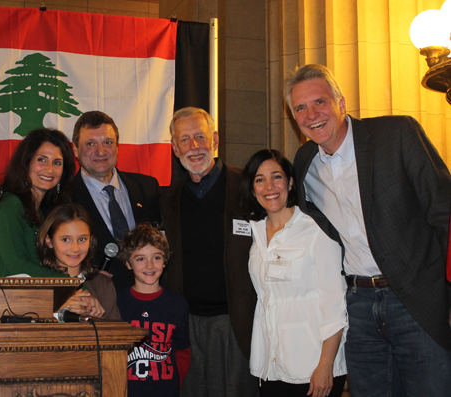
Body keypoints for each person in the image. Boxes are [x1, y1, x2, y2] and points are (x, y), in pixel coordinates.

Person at [288, 64, 451, 396]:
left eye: (320, 102)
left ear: (341, 102)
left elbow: (444, 211)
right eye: (300, 108)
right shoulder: (305, 162)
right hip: (357, 307)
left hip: (416, 300)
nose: (311, 114)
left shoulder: (396, 135)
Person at [161, 107, 258, 396]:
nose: (194, 147)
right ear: (174, 147)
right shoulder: (167, 198)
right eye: (185, 139)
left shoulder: (248, 187)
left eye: (200, 137)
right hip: (186, 324)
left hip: (238, 323)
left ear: (215, 139)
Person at [240, 149, 347, 397]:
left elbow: (335, 303)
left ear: (290, 182)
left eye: (276, 176)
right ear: (252, 188)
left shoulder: (316, 228)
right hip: (271, 366)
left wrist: (325, 365)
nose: (269, 186)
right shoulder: (255, 235)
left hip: (312, 367)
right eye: (259, 179)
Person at [71, 111, 161, 291]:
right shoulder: (64, 198)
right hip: (97, 303)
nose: (101, 151)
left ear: (118, 146)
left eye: (108, 143)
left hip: (148, 302)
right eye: (90, 144)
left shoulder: (148, 187)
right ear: (75, 150)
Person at [0, 128, 75, 278]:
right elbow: (19, 266)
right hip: (8, 299)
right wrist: (70, 285)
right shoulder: (9, 205)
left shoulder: (40, 213)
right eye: (42, 159)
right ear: (26, 163)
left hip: (33, 298)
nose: (49, 169)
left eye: (57, 163)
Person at [116, 222, 190, 397]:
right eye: (140, 259)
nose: (150, 265)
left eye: (156, 257)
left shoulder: (178, 305)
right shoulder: (117, 301)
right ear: (128, 263)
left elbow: (183, 351)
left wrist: (176, 382)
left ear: (164, 261)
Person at [38, 203, 121, 320]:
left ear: (90, 240)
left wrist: (94, 317)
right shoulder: (36, 282)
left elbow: (117, 333)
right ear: (49, 241)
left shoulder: (102, 284)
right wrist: (60, 313)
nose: (75, 248)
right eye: (66, 240)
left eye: (82, 239)